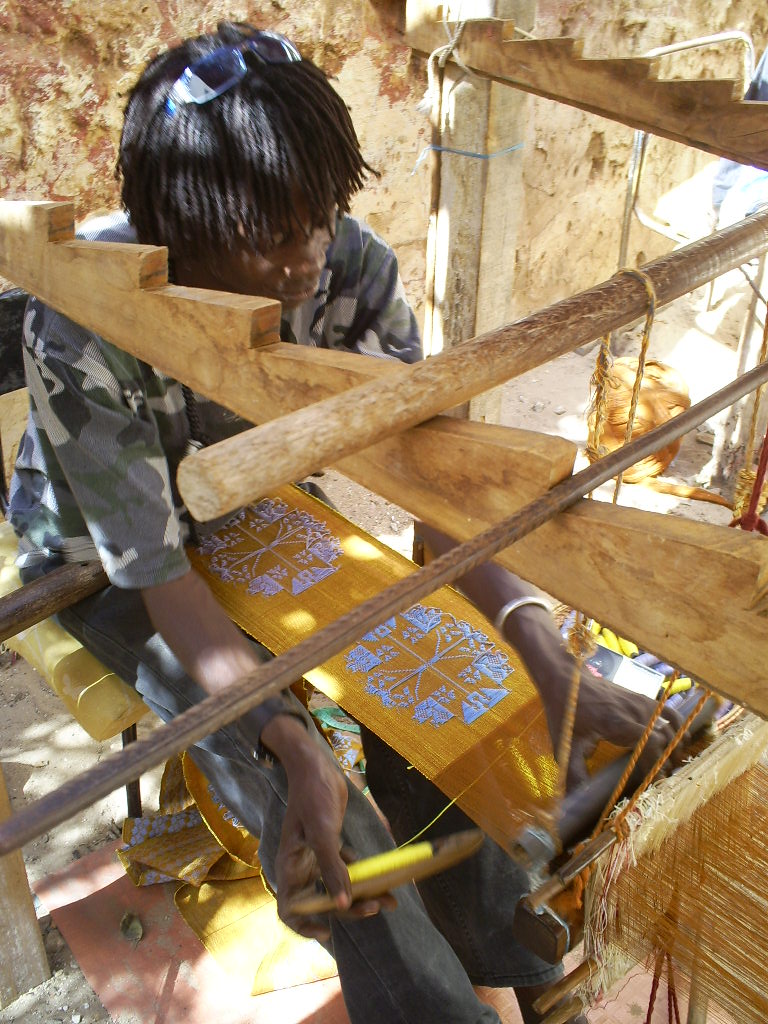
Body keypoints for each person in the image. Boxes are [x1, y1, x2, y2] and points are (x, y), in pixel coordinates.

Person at [9, 22, 685, 1024]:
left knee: (451, 685)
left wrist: (537, 646)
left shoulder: (344, 265)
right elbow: (160, 574)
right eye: (274, 236)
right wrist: (291, 736)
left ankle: (530, 970)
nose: (308, 256)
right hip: (106, 569)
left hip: (256, 512)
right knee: (325, 821)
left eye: (321, 214)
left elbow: (435, 491)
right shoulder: (84, 326)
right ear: (179, 232)